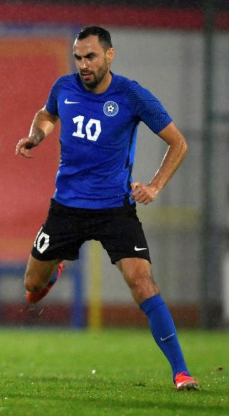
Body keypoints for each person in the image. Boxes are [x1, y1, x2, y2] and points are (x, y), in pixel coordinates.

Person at [14, 25, 197, 391]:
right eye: (78, 57)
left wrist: (155, 185)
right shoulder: (63, 87)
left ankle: (181, 371)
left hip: (115, 209)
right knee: (32, 288)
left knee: (142, 283)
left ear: (109, 55)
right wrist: (36, 135)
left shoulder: (131, 95)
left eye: (91, 57)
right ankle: (56, 266)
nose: (83, 64)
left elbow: (177, 143)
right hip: (66, 208)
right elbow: (47, 114)